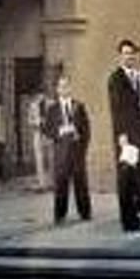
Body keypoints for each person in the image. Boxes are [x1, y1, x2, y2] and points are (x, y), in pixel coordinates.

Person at [105, 39, 140, 232]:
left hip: (136, 136)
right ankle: (129, 221)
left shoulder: (133, 77)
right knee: (126, 179)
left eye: (131, 53)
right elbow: (116, 110)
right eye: (125, 53)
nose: (129, 56)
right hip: (126, 138)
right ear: (120, 56)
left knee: (135, 178)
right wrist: (122, 135)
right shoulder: (116, 79)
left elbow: (135, 107)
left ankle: (134, 217)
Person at [39, 73, 91, 223]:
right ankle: (60, 215)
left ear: (71, 88)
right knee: (61, 184)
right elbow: (47, 129)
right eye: (61, 86)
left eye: (67, 86)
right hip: (61, 153)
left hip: (77, 153)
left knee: (81, 183)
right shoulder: (52, 109)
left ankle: (85, 213)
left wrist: (82, 145)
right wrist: (58, 132)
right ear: (57, 89)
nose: (64, 89)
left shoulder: (78, 106)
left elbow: (87, 130)